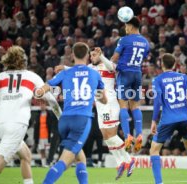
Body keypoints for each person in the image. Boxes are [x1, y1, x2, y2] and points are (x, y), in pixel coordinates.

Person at [55, 47, 135, 180]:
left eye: (94, 55)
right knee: (106, 137)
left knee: (111, 135)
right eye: (91, 55)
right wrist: (64, 67)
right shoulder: (90, 68)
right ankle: (120, 163)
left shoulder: (107, 65)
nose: (92, 57)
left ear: (100, 55)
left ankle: (129, 159)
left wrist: (102, 56)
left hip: (109, 102)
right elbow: (77, 70)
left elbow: (113, 68)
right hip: (100, 105)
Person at [0, 46, 61, 184]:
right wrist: (61, 117)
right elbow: (51, 99)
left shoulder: (0, 77)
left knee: (26, 155)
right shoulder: (32, 76)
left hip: (1, 125)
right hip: (17, 125)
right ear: (24, 61)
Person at [37, 42, 107, 184]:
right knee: (64, 161)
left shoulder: (65, 72)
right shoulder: (94, 74)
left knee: (80, 157)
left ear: (72, 55)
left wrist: (39, 92)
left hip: (64, 121)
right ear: (88, 56)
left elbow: (47, 86)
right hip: (81, 120)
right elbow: (104, 100)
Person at [150, 53, 187, 184]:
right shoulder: (183, 77)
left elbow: (157, 102)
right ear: (174, 65)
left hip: (168, 119)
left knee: (154, 150)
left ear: (161, 64)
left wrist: (154, 121)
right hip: (184, 117)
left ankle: (159, 182)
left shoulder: (158, 80)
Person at [111, 16, 150, 152]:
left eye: (126, 26)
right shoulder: (145, 42)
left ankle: (128, 136)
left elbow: (114, 59)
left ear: (132, 26)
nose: (125, 28)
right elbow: (143, 56)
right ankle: (139, 135)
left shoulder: (124, 40)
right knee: (135, 106)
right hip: (137, 74)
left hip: (125, 74)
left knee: (123, 106)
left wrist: (108, 64)